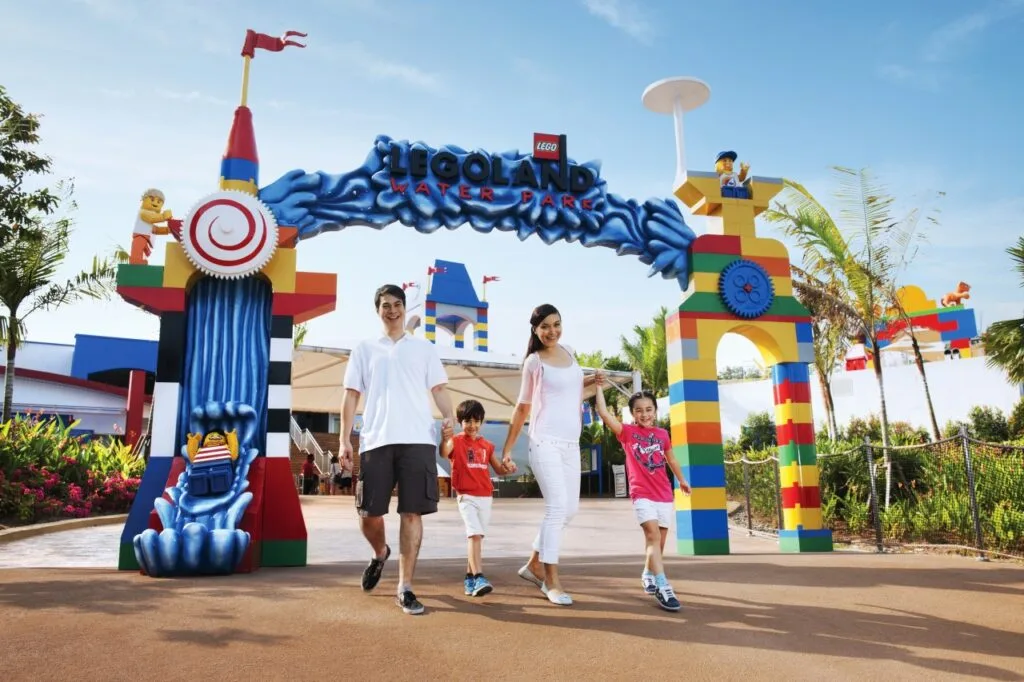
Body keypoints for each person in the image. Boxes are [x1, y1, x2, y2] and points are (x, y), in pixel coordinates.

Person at [340, 283, 455, 616]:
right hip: (376, 439)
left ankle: (405, 587)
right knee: (368, 515)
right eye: (385, 305)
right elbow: (350, 395)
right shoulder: (364, 349)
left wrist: (449, 416)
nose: (392, 310)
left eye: (397, 304)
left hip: (418, 439)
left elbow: (439, 388)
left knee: (411, 512)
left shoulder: (424, 349)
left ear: (404, 307)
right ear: (378, 310)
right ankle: (380, 553)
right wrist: (346, 438)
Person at [501, 303, 593, 606]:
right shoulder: (534, 362)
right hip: (544, 443)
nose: (552, 331)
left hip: (570, 444)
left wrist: (594, 382)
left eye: (556, 324)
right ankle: (551, 581)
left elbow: (572, 393)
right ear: (535, 330)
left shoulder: (569, 352)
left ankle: (532, 565)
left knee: (569, 511)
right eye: (545, 327)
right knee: (556, 509)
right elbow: (523, 407)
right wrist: (508, 448)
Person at [594, 374, 691, 612]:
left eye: (649, 409)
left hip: (664, 494)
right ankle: (662, 585)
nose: (644, 414)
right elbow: (605, 414)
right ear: (632, 414)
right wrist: (598, 388)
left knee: (660, 542)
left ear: (655, 411)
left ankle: (648, 572)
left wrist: (682, 480)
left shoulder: (662, 435)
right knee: (652, 536)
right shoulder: (626, 432)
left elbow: (671, 459)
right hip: (642, 494)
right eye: (639, 411)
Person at [441, 399, 517, 598]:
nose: (472, 425)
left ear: (481, 422)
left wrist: (508, 469)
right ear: (460, 422)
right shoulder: (456, 442)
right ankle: (480, 576)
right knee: (474, 535)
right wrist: (444, 438)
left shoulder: (488, 446)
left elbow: (499, 470)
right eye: (467, 421)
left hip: (486, 497)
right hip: (466, 496)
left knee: (477, 538)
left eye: (476, 421)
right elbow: (444, 451)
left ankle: (470, 579)